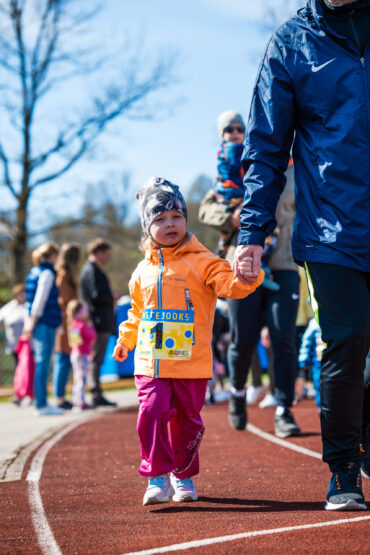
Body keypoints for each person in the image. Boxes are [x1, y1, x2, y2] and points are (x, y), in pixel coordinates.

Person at [233, 0, 370, 511]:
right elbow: (267, 147)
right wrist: (252, 232)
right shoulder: (290, 43)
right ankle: (343, 471)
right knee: (347, 339)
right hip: (331, 229)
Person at [113, 176, 263, 506]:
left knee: (188, 421)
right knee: (151, 410)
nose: (170, 224)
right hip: (150, 360)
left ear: (186, 219)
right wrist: (126, 338)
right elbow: (136, 311)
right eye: (160, 219)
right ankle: (156, 475)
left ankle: (183, 474)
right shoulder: (141, 272)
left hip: (191, 363)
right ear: (147, 227)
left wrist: (248, 275)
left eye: (176, 217)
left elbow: (231, 287)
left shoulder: (204, 261)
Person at [228, 162, 300, 438]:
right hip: (245, 265)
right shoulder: (239, 166)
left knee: (284, 337)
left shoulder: (303, 166)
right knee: (244, 339)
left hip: (284, 266)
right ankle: (237, 391)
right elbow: (208, 208)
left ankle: (284, 408)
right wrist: (230, 218)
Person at [214, 110, 279, 290]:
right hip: (235, 196)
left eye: (240, 129)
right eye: (229, 129)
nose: (235, 133)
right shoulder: (237, 150)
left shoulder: (222, 153)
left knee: (227, 237)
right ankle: (262, 263)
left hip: (226, 197)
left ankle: (219, 262)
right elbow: (248, 172)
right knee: (272, 233)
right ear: (222, 134)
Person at [24, 243, 63, 416]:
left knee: (41, 362)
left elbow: (30, 301)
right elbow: (39, 300)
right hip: (44, 323)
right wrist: (32, 324)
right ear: (52, 256)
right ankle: (42, 404)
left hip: (39, 322)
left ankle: (41, 402)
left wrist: (30, 323)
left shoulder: (33, 272)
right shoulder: (47, 273)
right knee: (43, 363)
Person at [80, 238, 117, 407]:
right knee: (96, 358)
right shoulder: (91, 271)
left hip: (100, 321)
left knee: (98, 359)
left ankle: (96, 391)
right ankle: (95, 392)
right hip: (98, 321)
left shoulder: (93, 270)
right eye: (106, 254)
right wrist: (112, 297)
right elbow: (96, 296)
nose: (108, 257)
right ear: (98, 253)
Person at [52, 243, 81, 410]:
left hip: (72, 324)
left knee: (68, 359)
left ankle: (64, 395)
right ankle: (60, 398)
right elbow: (63, 302)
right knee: (63, 359)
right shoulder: (62, 276)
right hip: (65, 324)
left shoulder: (69, 276)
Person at [66, 299, 96, 412]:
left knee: (82, 379)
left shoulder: (82, 324)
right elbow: (76, 340)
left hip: (84, 355)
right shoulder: (77, 325)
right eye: (85, 311)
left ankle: (81, 401)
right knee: (80, 380)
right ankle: (78, 403)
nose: (87, 313)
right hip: (80, 356)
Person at [0, 284, 27, 405]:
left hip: (27, 344)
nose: (23, 295)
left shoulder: (27, 306)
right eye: (21, 293)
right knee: (19, 369)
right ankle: (18, 394)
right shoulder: (9, 308)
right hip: (14, 344)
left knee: (27, 368)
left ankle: (27, 393)